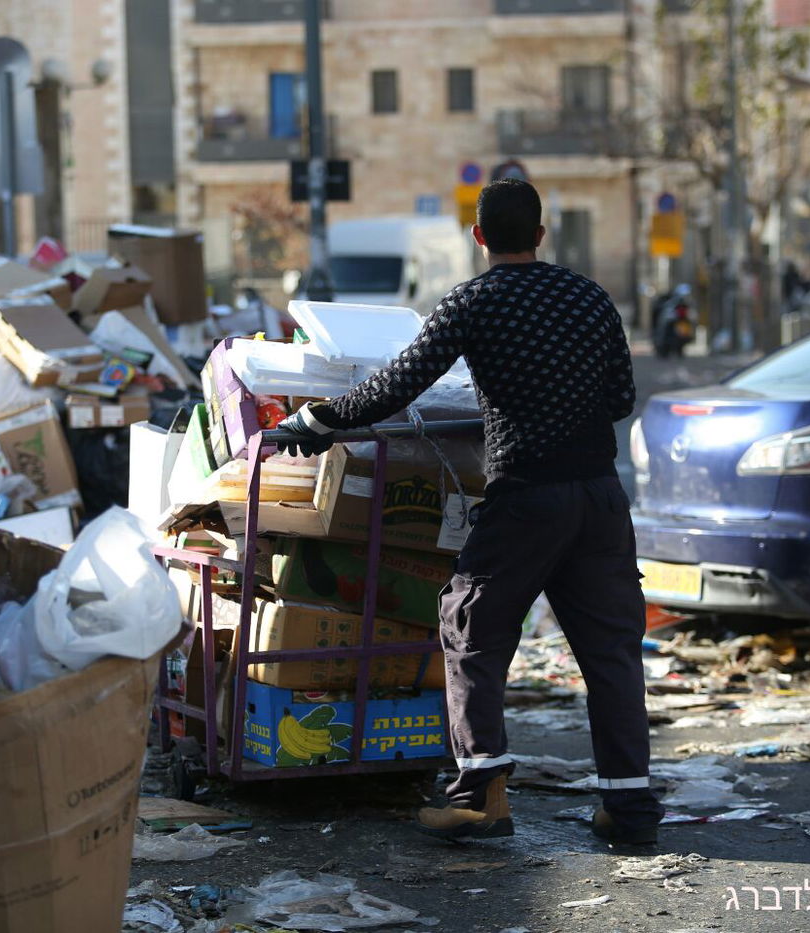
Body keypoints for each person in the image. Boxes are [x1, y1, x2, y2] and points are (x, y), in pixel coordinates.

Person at [274, 178, 664, 846]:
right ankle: (629, 810)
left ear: (478, 236)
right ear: (541, 234)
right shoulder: (590, 297)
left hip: (525, 496)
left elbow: (397, 385)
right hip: (599, 496)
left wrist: (319, 417)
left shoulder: (474, 301)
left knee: (468, 626)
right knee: (611, 653)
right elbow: (622, 395)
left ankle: (479, 793)